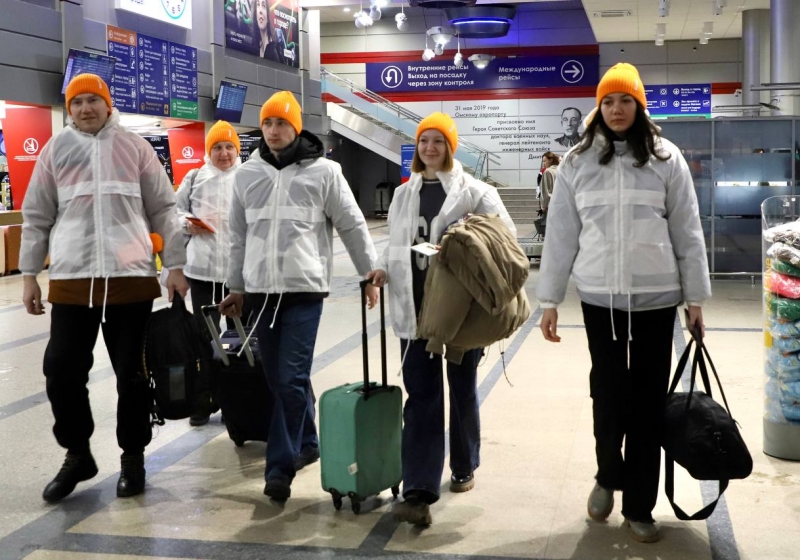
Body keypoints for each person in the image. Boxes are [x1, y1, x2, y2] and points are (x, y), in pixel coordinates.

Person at [536, 63, 711, 543]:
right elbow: (561, 235)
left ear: (639, 106)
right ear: (599, 107)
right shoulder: (577, 162)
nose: (616, 109)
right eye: (608, 101)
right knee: (608, 395)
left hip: (656, 300)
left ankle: (639, 505)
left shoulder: (665, 158)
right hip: (600, 299)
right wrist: (549, 299)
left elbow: (687, 231)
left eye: (625, 100)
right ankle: (607, 475)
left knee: (648, 404)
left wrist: (695, 298)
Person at [20, 73, 189, 503]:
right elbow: (36, 216)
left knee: (132, 376)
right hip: (72, 281)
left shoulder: (135, 148)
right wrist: (29, 275)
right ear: (69, 109)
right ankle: (78, 453)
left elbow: (164, 209)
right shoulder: (55, 150)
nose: (85, 109)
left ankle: (133, 456)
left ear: (108, 104)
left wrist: (174, 265)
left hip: (130, 280)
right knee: (60, 371)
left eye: (93, 100)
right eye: (77, 103)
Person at [219, 91, 378, 501]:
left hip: (304, 290)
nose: (273, 131)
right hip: (260, 292)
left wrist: (370, 273)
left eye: (282, 124)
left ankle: (280, 467)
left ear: (296, 128)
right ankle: (307, 442)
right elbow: (237, 236)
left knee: (289, 378)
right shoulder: (246, 174)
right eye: (267, 123)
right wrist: (235, 287)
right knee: (279, 380)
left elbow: (352, 224)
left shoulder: (325, 172)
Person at [366, 112, 515, 527]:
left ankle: (464, 463)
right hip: (415, 308)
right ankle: (419, 488)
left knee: (462, 389)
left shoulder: (476, 191)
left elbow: (506, 237)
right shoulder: (403, 193)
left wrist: (468, 238)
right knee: (422, 395)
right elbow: (394, 241)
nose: (430, 148)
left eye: (438, 141)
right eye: (424, 141)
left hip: (462, 311)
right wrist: (381, 269)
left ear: (451, 147)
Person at [175, 120, 250, 426]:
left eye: (229, 146)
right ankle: (205, 398)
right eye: (217, 147)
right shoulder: (195, 177)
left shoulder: (247, 177)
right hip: (202, 272)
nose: (224, 153)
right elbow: (173, 211)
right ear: (209, 151)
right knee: (204, 337)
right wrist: (186, 224)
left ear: (237, 150)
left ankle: (236, 398)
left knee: (238, 336)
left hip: (238, 275)